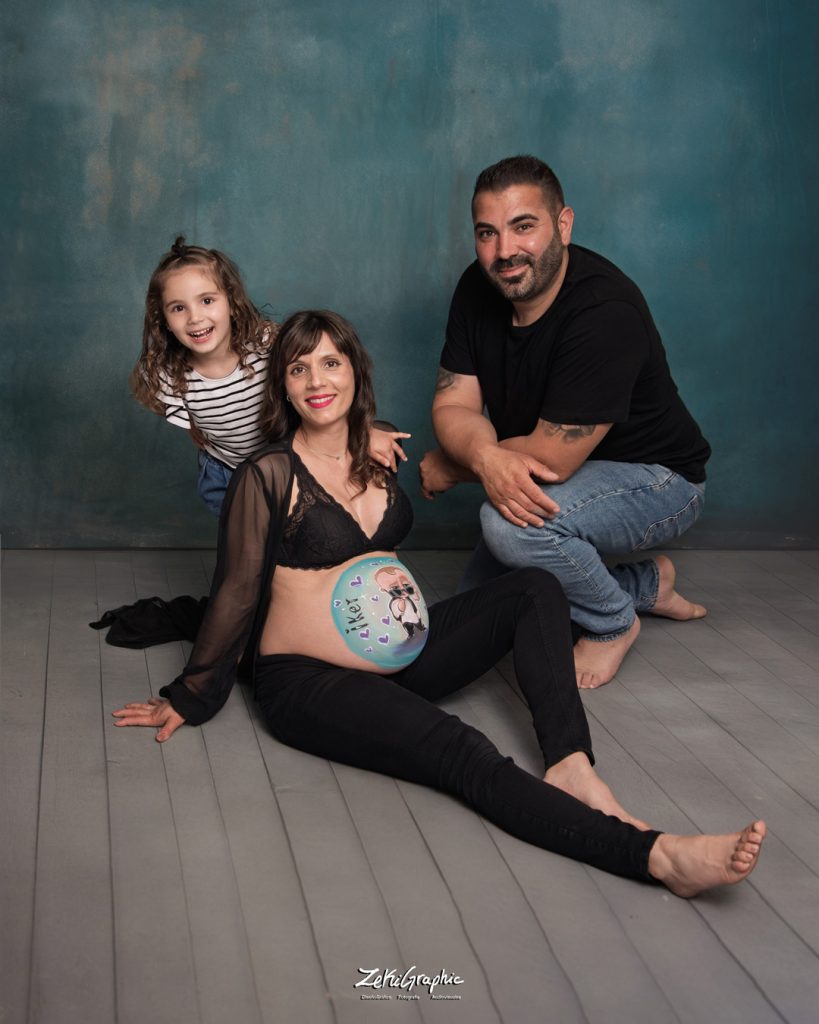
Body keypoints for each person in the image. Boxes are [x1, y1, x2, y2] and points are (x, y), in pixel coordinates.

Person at [114, 309, 765, 898]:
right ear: (282, 386)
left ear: (354, 372)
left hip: (406, 660)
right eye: (299, 367)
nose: (317, 379)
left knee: (534, 587)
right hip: (310, 682)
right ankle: (656, 857)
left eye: (331, 362)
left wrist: (372, 433)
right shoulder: (267, 476)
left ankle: (570, 762)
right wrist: (191, 695)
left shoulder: (375, 455)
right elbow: (235, 591)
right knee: (461, 749)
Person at [420, 156, 711, 689]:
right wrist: (480, 456)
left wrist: (454, 466)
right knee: (474, 613)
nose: (504, 251)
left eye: (523, 226)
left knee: (507, 524)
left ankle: (613, 622)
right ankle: (645, 586)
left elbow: (552, 458)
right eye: (487, 233)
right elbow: (453, 406)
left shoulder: (605, 310)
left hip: (659, 479)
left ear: (564, 224)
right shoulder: (477, 286)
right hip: (562, 472)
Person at [131, 239, 407, 516]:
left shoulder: (266, 343)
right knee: (248, 536)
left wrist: (361, 432)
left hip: (288, 460)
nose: (195, 317)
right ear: (164, 319)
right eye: (178, 308)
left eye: (207, 301)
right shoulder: (167, 373)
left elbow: (322, 390)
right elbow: (179, 412)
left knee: (300, 529)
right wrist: (196, 427)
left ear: (232, 303)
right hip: (226, 472)